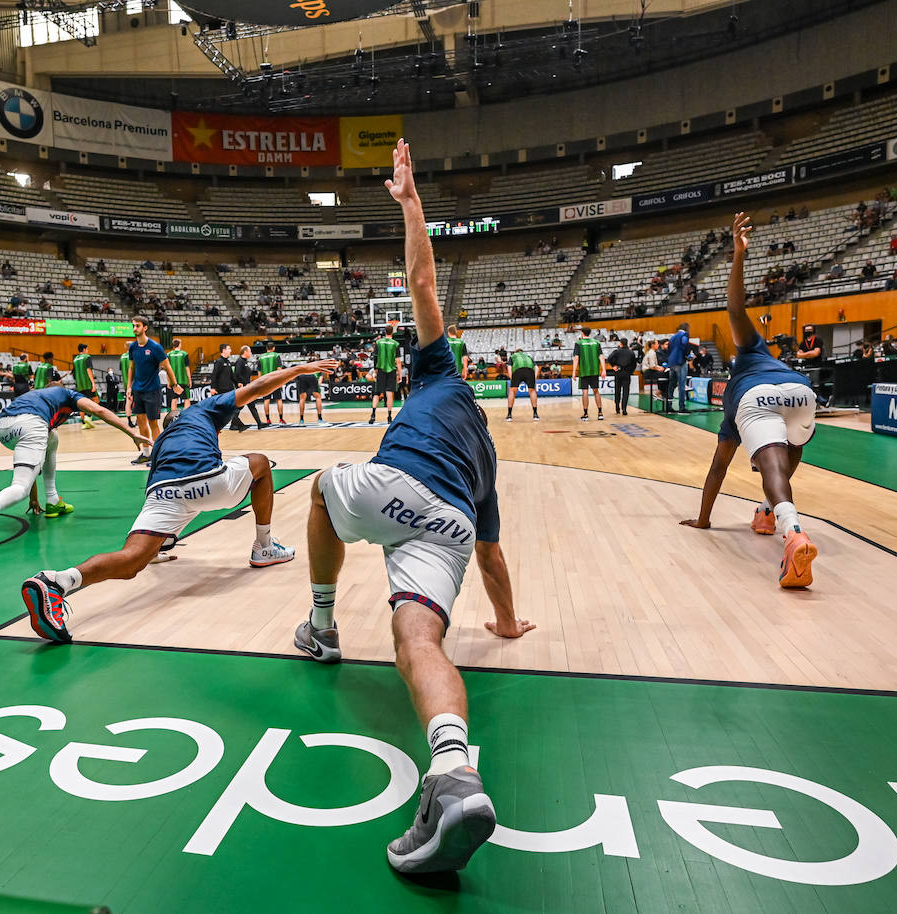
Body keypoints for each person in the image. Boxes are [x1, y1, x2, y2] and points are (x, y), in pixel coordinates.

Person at [292, 139, 533, 875]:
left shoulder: (437, 373)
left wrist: (410, 202)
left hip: (398, 482)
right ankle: (454, 773)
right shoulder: (486, 454)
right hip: (452, 523)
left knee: (319, 491)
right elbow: (491, 556)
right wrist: (505, 621)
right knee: (418, 641)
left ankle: (323, 627)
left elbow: (423, 281)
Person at [18, 356, 339, 639]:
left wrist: (158, 545)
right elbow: (259, 386)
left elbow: (169, 495)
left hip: (161, 491)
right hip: (205, 480)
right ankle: (264, 547)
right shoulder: (202, 409)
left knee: (131, 561)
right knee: (260, 463)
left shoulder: (161, 444)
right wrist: (299, 369)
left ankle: (57, 582)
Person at [680, 212, 818, 589]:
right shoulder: (767, 354)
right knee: (784, 461)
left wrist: (704, 519)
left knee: (771, 470)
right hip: (803, 392)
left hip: (758, 399)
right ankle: (767, 512)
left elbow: (717, 471)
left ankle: (793, 534)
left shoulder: (739, 383)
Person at [0, 380, 151, 553]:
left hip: (4, 429)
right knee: (20, 486)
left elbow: (33, 453)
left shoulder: (36, 397)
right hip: (30, 424)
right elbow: (99, 411)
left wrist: (35, 499)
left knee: (51, 437)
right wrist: (131, 432)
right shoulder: (68, 395)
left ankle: (52, 501)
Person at [125, 315, 182, 464]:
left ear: (145, 328)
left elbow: (167, 366)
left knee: (153, 423)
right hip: (138, 390)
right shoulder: (133, 347)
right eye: (133, 326)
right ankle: (146, 453)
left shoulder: (155, 347)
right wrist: (129, 387)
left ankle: (157, 455)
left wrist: (174, 384)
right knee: (141, 423)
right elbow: (131, 367)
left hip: (152, 390)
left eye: (137, 326)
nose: (134, 328)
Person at [369, 320, 402, 424]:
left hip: (380, 370)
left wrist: (375, 371)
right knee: (389, 393)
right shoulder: (396, 344)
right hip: (391, 370)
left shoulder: (378, 342)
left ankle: (373, 415)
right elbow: (398, 361)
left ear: (384, 332)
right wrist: (400, 374)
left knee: (376, 393)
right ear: (392, 332)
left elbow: (375, 357)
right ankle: (389, 416)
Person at [571, 327, 606, 421]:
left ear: (582, 333)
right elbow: (601, 357)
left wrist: (574, 372)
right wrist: (604, 370)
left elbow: (576, 358)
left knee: (585, 391)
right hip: (595, 371)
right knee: (596, 391)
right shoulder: (596, 342)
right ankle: (600, 413)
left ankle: (586, 414)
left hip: (584, 371)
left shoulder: (579, 343)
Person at [234, 345, 266, 428]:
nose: (251, 353)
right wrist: (241, 383)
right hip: (243, 388)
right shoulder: (240, 361)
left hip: (247, 387)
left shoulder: (244, 361)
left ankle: (259, 423)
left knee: (251, 405)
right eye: (250, 351)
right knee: (239, 407)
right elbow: (237, 374)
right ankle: (234, 423)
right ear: (245, 352)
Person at [504, 347, 538, 422]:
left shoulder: (513, 356)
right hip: (530, 370)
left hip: (518, 370)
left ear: (516, 352)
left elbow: (509, 368)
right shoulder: (528, 356)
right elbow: (537, 367)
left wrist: (512, 379)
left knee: (512, 391)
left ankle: (509, 415)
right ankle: (535, 414)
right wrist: (534, 378)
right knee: (532, 391)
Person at [256, 343, 286, 426]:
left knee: (266, 400)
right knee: (279, 400)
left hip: (265, 382)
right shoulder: (276, 355)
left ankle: (268, 419)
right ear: (273, 348)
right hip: (275, 381)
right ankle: (281, 419)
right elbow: (279, 369)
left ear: (266, 348)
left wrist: (260, 383)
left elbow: (259, 372)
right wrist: (280, 382)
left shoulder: (260, 357)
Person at [606, 337, 637, 416]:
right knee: (626, 391)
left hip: (618, 372)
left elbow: (609, 358)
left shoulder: (617, 351)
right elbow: (634, 364)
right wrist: (630, 371)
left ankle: (617, 408)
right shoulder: (631, 353)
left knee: (617, 390)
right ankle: (624, 409)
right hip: (627, 373)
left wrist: (613, 366)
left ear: (621, 343)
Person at [666, 322, 691, 412]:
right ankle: (682, 407)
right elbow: (684, 344)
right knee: (681, 385)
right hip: (680, 362)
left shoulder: (673, 337)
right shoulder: (684, 335)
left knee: (671, 385)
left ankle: (669, 405)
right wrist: (687, 356)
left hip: (672, 363)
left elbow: (668, 349)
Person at [296, 353, 326, 425]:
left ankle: (301, 420)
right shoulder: (319, 367)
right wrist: (316, 388)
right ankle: (319, 419)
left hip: (302, 376)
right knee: (318, 397)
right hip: (312, 376)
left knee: (302, 398)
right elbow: (320, 381)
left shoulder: (305, 366)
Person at [166, 339, 191, 413]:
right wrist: (189, 380)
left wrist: (168, 381)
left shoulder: (169, 354)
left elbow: (168, 369)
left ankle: (173, 417)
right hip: (183, 380)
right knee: (186, 399)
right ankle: (186, 416)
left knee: (174, 399)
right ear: (179, 344)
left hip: (173, 381)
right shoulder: (184, 354)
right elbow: (187, 368)